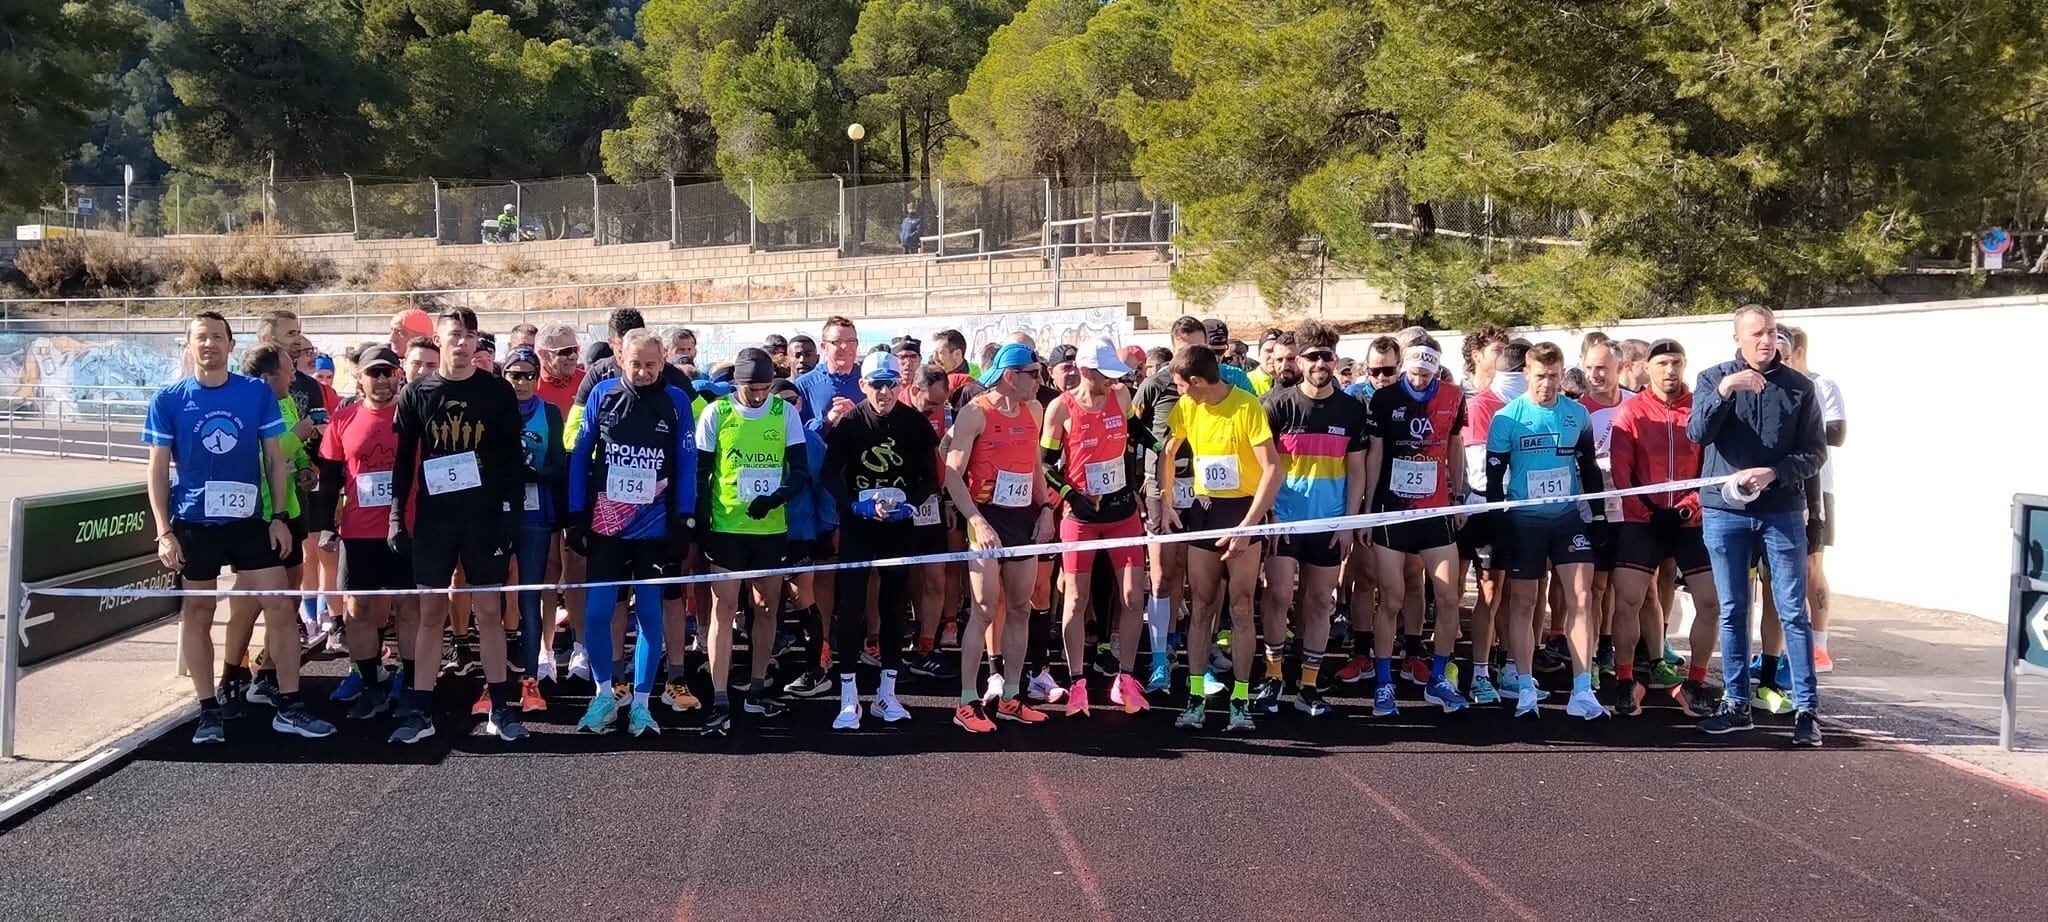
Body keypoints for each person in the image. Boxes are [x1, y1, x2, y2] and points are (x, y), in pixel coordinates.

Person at [146, 312, 333, 744]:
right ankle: (208, 709)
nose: (208, 344)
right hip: (194, 522)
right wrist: (163, 531)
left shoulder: (253, 393)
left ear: (231, 345)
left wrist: (279, 518)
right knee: (199, 612)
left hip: (250, 520)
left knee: (281, 606)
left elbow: (273, 457)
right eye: (200, 338)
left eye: (216, 337)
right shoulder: (169, 399)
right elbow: (156, 469)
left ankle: (289, 704)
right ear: (188, 345)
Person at [387, 307, 528, 744]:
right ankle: (421, 711)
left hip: (484, 520)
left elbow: (511, 460)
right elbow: (402, 462)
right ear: (440, 340)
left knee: (488, 611)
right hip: (434, 520)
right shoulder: (416, 392)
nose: (463, 343)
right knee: (431, 614)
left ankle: (501, 708)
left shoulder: (497, 392)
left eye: (470, 335)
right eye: (455, 335)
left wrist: (510, 514)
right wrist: (396, 515)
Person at [1688, 305, 1826, 747]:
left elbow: (1816, 452)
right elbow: (1698, 433)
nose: (1766, 341)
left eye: (1772, 333)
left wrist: (1775, 473)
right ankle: (1737, 703)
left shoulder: (1801, 388)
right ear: (1738, 339)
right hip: (1724, 511)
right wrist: (1725, 391)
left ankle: (1807, 710)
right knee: (1732, 609)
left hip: (1781, 509)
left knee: (1791, 609)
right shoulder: (1713, 378)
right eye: (1757, 334)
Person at [566, 330, 695, 736]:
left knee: (649, 614)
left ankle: (642, 703)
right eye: (635, 363)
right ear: (621, 358)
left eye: (651, 365)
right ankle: (605, 694)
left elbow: (687, 462)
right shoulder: (602, 395)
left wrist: (684, 519)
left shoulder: (675, 399)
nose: (642, 372)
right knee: (599, 613)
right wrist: (574, 514)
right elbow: (579, 455)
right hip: (607, 525)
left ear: (663, 362)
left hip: (654, 527)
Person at [1161, 345, 1283, 732]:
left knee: (1243, 606)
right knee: (1201, 605)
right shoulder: (1188, 407)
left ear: (1196, 382)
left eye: (1181, 385)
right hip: (1205, 511)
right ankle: (1196, 696)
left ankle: (1240, 699)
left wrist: (1248, 525)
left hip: (1242, 511)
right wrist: (1165, 500)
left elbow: (1273, 470)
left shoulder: (1246, 406)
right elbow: (1168, 450)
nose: (1178, 392)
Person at [1483, 341, 1608, 720]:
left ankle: (1583, 688)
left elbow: (1589, 469)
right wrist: (1499, 525)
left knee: (1582, 598)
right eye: (1540, 376)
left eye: (1554, 376)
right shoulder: (1507, 418)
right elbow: (1493, 481)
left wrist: (1599, 516)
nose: (1547, 384)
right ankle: (1523, 684)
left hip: (1567, 518)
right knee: (1523, 603)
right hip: (1525, 522)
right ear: (1526, 374)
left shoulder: (1577, 414)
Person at [820, 350, 939, 729]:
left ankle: (887, 692)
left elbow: (931, 477)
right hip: (859, 527)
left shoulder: (915, 423)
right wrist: (852, 505)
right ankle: (849, 695)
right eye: (876, 384)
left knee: (893, 606)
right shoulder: (850, 423)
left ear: (900, 385)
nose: (884, 392)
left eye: (891, 384)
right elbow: (828, 474)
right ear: (863, 386)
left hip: (898, 527)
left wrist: (912, 506)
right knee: (852, 607)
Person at [1607, 339, 1724, 717]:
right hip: (1644, 520)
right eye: (1662, 364)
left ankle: (1696, 682)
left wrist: (1688, 509)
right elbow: (1621, 471)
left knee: (1711, 602)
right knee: (1628, 601)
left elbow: (1711, 467)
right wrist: (1647, 508)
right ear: (1648, 367)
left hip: (1691, 521)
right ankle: (1625, 680)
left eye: (1676, 363)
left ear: (1685, 365)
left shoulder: (1699, 408)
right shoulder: (1630, 411)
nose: (1669, 370)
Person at [1256, 322, 1367, 717]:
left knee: (1320, 601)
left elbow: (1357, 471)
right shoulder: (1276, 405)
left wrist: (1351, 521)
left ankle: (1308, 685)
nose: (1321, 362)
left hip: (1329, 522)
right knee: (1279, 596)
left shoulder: (1352, 409)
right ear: (1298, 360)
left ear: (1335, 359)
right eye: (1313, 356)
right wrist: (1267, 514)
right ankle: (1272, 676)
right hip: (1284, 520)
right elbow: (1262, 467)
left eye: (1327, 356)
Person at [695, 347, 808, 735]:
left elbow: (801, 472)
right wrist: (701, 523)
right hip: (727, 528)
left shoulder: (784, 412)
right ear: (736, 384)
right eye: (751, 389)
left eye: (764, 388)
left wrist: (776, 497)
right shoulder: (717, 413)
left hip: (769, 528)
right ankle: (720, 695)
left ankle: (757, 688)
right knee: (723, 611)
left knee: (766, 608)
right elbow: (700, 472)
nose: (759, 395)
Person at [945, 342, 1055, 733]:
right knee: (985, 610)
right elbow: (951, 475)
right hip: (985, 517)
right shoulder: (975, 413)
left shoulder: (1035, 410)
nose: (1040, 380)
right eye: (1034, 373)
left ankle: (1011, 696)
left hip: (1022, 517)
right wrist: (977, 521)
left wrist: (1045, 509)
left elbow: (1035, 466)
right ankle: (966, 701)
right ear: (1011, 375)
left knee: (1022, 609)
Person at [1361, 334, 1471, 717]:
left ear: (1437, 369)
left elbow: (1455, 445)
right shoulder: (1385, 397)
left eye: (1427, 373)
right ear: (1405, 366)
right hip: (1393, 510)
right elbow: (1374, 454)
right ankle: (1384, 681)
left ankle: (1439, 677)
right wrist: (1370, 507)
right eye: (1414, 372)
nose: (1420, 379)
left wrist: (1459, 497)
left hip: (1435, 510)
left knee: (1447, 597)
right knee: (1390, 598)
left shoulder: (1454, 396)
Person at [1041, 337, 1152, 715]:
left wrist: (1148, 471)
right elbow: (1044, 465)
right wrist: (1072, 497)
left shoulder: (1121, 397)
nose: (1114, 381)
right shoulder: (1059, 409)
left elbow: (1140, 435)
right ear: (1086, 372)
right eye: (1106, 375)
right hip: (1081, 519)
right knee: (1075, 598)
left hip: (1122, 513)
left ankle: (1126, 678)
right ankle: (1076, 682)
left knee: (1133, 597)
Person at [310, 344, 418, 721]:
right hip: (358, 532)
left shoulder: (413, 416)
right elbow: (328, 479)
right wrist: (325, 524)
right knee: (358, 611)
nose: (383, 380)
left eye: (389, 372)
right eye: (375, 373)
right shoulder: (344, 420)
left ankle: (411, 683)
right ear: (359, 378)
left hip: (406, 529)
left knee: (409, 608)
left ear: (398, 375)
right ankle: (371, 684)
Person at [501, 346, 567, 713]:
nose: (521, 382)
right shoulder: (493, 410)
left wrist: (533, 474)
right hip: (497, 516)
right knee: (493, 601)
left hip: (535, 515)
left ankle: (530, 678)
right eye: (514, 375)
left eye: (528, 375)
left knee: (529, 599)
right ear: (504, 376)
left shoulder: (550, 413)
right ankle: (491, 677)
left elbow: (559, 466)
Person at [1779, 325, 1846, 673]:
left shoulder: (1821, 385)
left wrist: (1798, 430)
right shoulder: (1767, 386)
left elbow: (1837, 432)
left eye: (1786, 353)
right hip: (1777, 490)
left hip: (1818, 488)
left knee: (1811, 567)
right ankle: (1781, 650)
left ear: (1799, 352)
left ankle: (1819, 647)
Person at [1577, 336, 1627, 674]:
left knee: (1630, 587)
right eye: (1590, 368)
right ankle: (1594, 653)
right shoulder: (1576, 410)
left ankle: (1622, 648)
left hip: (1631, 509)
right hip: (1590, 509)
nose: (1596, 375)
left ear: (1619, 368)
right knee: (1594, 587)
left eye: (1603, 368)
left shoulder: (1635, 404)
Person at [793, 316, 864, 433]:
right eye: (837, 342)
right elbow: (796, 432)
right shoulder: (803, 385)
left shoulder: (869, 382)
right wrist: (826, 420)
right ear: (823, 347)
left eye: (850, 341)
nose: (845, 347)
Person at [534, 323, 585, 412]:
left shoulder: (587, 380)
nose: (573, 356)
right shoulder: (529, 385)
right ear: (543, 354)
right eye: (566, 351)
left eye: (575, 349)